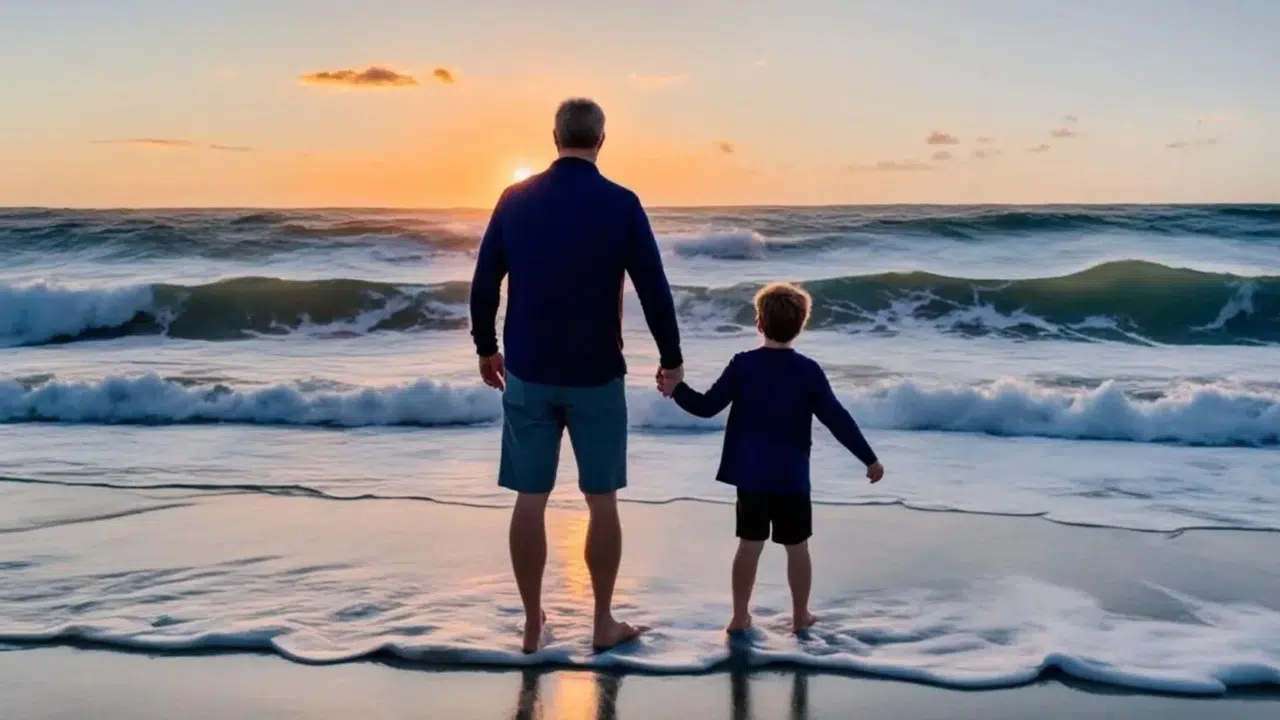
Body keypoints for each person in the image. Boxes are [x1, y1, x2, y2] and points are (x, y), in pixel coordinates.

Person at [470, 98, 685, 653]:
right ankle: (602, 622)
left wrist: (486, 347)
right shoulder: (621, 204)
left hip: (529, 372)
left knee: (529, 498)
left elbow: (484, 282)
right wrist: (671, 357)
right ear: (602, 140)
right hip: (596, 375)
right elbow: (654, 289)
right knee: (602, 500)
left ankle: (532, 625)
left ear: (554, 136)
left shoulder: (514, 199)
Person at [657, 282, 884, 634]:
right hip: (791, 478)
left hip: (750, 475)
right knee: (797, 548)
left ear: (759, 323)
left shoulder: (743, 365)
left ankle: (738, 617)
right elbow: (836, 418)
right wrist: (868, 459)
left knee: (749, 546)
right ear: (801, 325)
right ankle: (799, 617)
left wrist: (677, 390)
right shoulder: (808, 371)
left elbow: (706, 407)